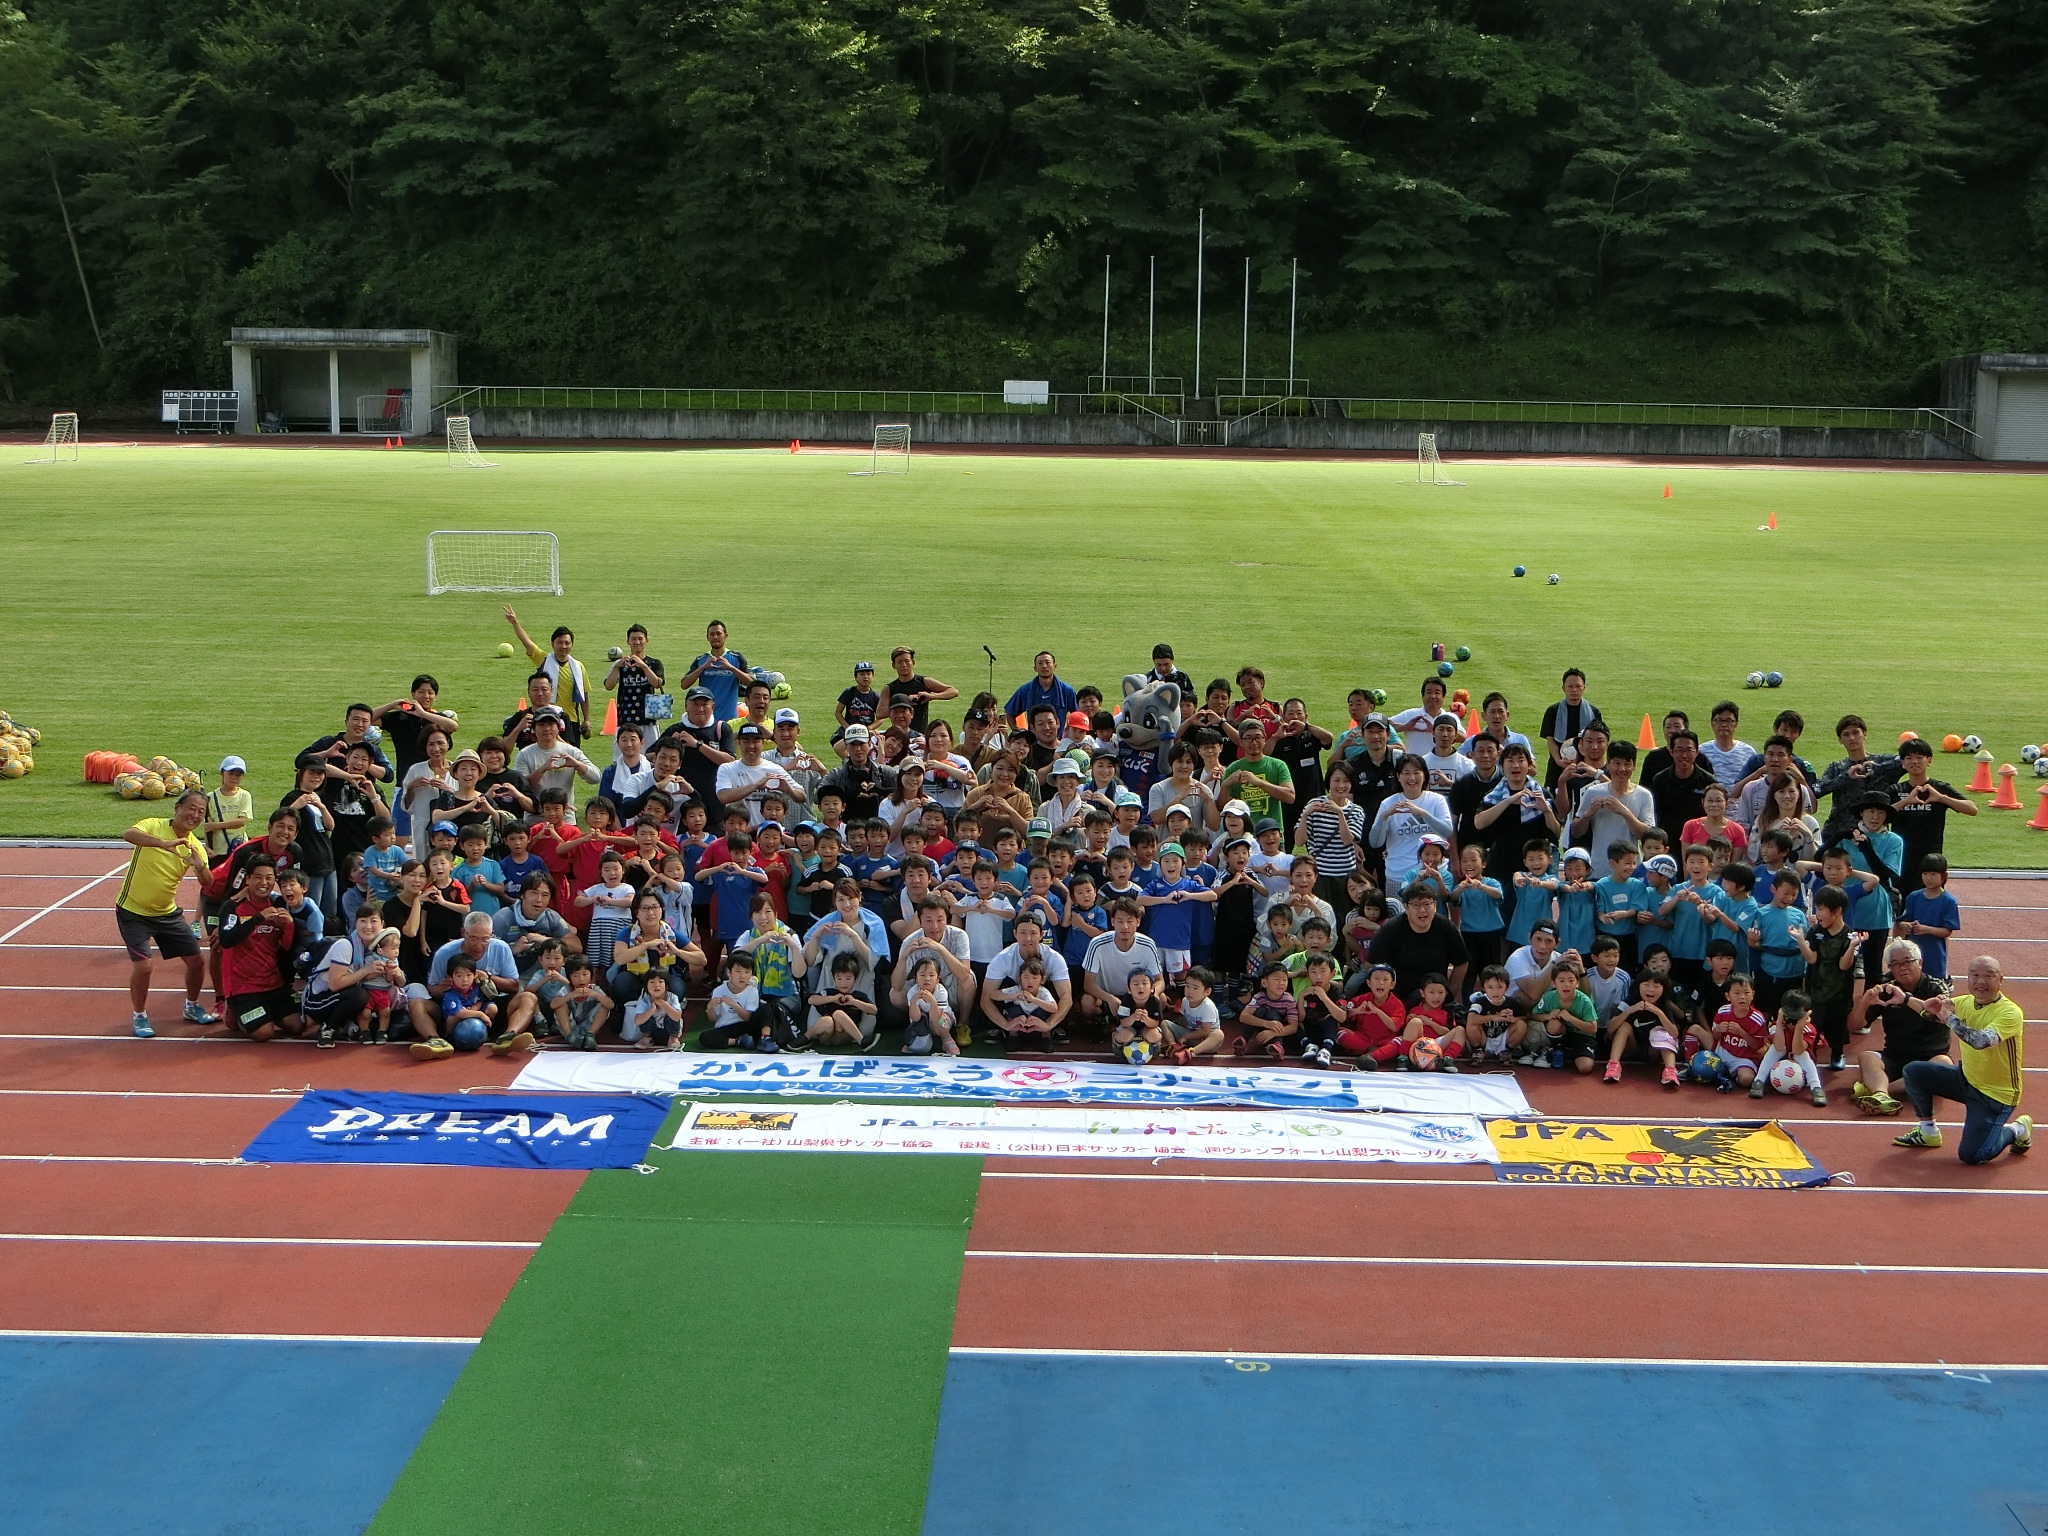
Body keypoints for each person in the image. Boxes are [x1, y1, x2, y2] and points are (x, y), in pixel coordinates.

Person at [1893, 956, 2031, 1162]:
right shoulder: (1966, 1002)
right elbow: (1933, 1012)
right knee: (1914, 1072)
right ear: (1967, 978)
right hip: (1967, 1078)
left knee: (1973, 1155)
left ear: (2000, 980)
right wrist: (1906, 999)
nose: (1981, 982)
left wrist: (1948, 1017)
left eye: (1988, 976)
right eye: (1975, 975)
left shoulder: (2010, 1013)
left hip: (1995, 1095)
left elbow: (1979, 1041)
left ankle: (2017, 1130)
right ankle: (1927, 1132)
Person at [116, 789, 219, 1037]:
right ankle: (139, 1015)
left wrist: (200, 865)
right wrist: (163, 844)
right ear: (177, 807)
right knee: (144, 966)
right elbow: (129, 834)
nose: (194, 815)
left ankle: (191, 1007)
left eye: (200, 812)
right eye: (191, 808)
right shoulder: (153, 826)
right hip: (133, 910)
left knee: (196, 962)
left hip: (167, 913)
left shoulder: (194, 846)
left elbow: (208, 883)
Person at [1850, 939, 1952, 1115]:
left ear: (1919, 963)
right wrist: (1864, 1002)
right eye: (1895, 964)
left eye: (1907, 961)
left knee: (1944, 1064)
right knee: (1867, 1057)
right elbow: (1854, 1026)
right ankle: (1882, 1096)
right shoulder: (1886, 987)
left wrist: (1905, 999)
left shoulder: (1937, 986)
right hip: (1895, 1056)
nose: (1902, 968)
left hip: (1930, 1056)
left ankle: (1884, 1092)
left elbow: (1941, 1015)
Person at [216, 856, 299, 1041]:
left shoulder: (278, 904)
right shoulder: (233, 906)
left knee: (297, 1026)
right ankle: (235, 1014)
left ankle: (268, 1013)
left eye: (269, 878)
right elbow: (227, 940)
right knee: (264, 1034)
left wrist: (290, 925)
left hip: (273, 983)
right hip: (243, 987)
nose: (264, 883)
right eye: (258, 877)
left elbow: (286, 946)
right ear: (248, 880)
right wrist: (257, 919)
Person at [1890, 738, 1976, 879]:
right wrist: (1905, 802)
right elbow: (1880, 817)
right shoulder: (1895, 790)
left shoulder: (1939, 788)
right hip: (1900, 857)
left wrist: (1942, 798)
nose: (1915, 762)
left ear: (1929, 761)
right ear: (1903, 763)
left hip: (1931, 859)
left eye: (1919, 757)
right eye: (1909, 758)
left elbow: (1972, 809)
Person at [1365, 885, 1469, 1002]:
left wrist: (1449, 994)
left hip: (1435, 997)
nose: (1422, 910)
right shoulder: (1390, 930)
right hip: (1399, 997)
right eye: (1416, 905)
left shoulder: (1446, 927)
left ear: (1434, 905)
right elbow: (1371, 964)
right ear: (1406, 907)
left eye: (1427, 904)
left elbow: (1462, 962)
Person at [1368, 756, 1453, 893]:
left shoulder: (1437, 800)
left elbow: (1447, 831)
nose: (1412, 778)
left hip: (1434, 874)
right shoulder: (1388, 803)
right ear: (1398, 776)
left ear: (1424, 776)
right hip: (1398, 875)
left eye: (1416, 772)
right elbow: (1375, 843)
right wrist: (1384, 817)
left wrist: (1423, 814)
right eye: (1406, 773)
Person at [505, 608, 592, 736]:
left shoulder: (578, 667)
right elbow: (528, 644)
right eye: (560, 642)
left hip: (570, 720)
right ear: (552, 644)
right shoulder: (544, 660)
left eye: (567, 643)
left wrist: (586, 720)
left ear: (572, 645)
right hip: (547, 719)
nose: (563, 646)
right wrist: (515, 623)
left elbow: (584, 695)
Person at [1648, 730, 1715, 845]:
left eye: (1689, 750)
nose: (1684, 756)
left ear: (1697, 753)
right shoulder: (1659, 780)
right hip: (1667, 844)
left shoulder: (1708, 782)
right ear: (1671, 752)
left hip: (1699, 846)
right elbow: (1653, 814)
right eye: (1679, 750)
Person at [603, 623, 666, 745]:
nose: (637, 642)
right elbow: (608, 686)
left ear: (646, 640)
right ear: (628, 641)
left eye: (640, 638)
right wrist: (617, 667)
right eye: (633, 639)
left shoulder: (654, 663)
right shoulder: (620, 664)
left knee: (651, 757)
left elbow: (658, 683)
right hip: (626, 721)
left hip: (649, 721)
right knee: (622, 757)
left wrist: (644, 666)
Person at [680, 620, 754, 722]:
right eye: (712, 634)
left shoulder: (736, 658)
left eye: (718, 634)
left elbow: (752, 683)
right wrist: (702, 668)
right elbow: (684, 684)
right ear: (707, 637)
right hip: (707, 720)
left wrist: (731, 668)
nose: (715, 637)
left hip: (730, 720)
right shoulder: (701, 660)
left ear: (726, 635)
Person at [1538, 668, 1601, 788]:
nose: (1574, 690)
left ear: (1584, 688)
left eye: (1578, 686)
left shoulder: (1593, 712)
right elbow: (1550, 738)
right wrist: (1558, 760)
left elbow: (1598, 739)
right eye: (1570, 686)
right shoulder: (1553, 711)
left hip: (1585, 766)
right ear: (1563, 688)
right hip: (1558, 766)